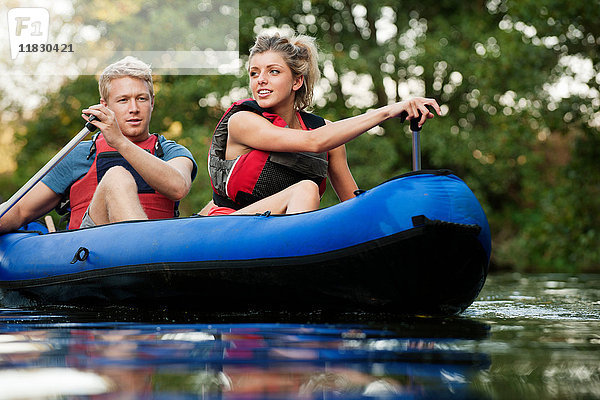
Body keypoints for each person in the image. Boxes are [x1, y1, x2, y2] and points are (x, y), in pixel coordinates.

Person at [204, 31, 441, 216]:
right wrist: (389, 111)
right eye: (254, 73)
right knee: (305, 188)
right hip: (231, 229)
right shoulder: (242, 121)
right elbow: (313, 142)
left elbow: (353, 204)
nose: (261, 80)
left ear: (297, 82)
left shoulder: (325, 132)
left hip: (278, 234)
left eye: (273, 71)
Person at [0, 56, 197, 233]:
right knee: (117, 176)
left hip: (154, 254)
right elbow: (19, 210)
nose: (134, 108)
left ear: (152, 102)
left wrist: (119, 142)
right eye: (123, 100)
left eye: (141, 98)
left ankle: (142, 260)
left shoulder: (171, 151)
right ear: (105, 105)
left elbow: (178, 187)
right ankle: (142, 257)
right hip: (90, 254)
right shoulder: (79, 154)